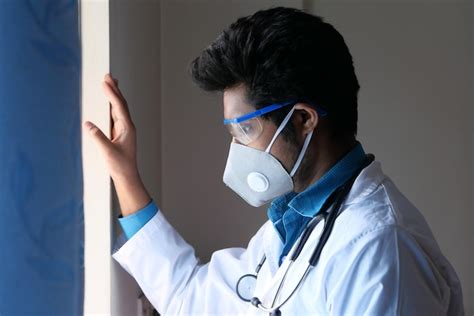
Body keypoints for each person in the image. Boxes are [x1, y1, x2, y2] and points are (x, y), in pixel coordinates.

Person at [84, 7, 464, 315]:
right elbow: (192, 298)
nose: (236, 150)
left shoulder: (380, 250)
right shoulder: (292, 226)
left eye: (245, 131)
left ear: (302, 120)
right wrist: (125, 174)